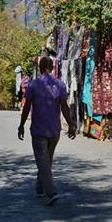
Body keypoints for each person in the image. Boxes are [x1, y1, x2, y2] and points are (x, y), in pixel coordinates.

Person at [17, 56, 75, 206]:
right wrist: (71, 125)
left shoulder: (33, 85)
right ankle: (40, 186)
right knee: (46, 160)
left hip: (38, 129)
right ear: (51, 67)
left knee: (43, 161)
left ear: (41, 68)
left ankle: (51, 191)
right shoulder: (60, 85)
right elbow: (64, 107)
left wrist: (21, 125)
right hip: (54, 130)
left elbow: (27, 106)